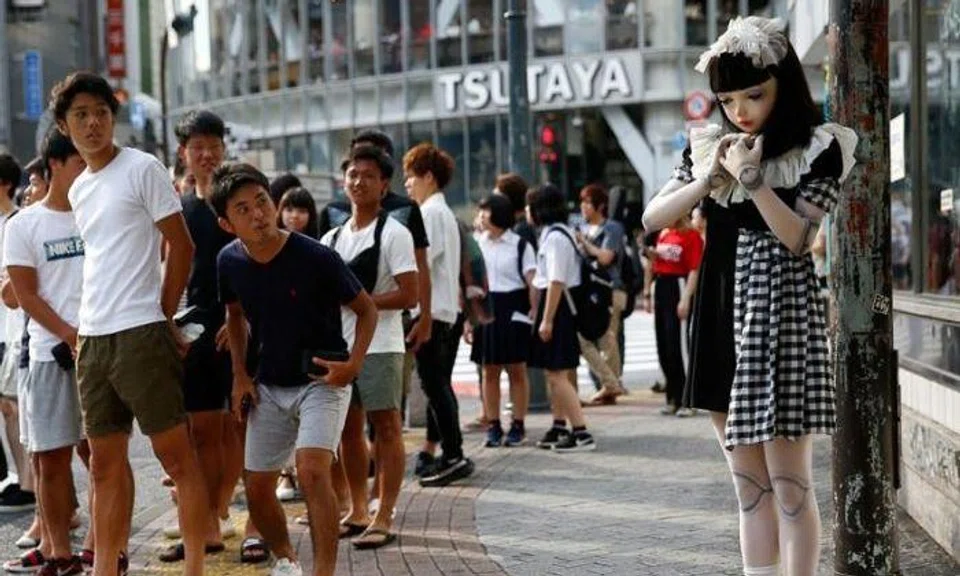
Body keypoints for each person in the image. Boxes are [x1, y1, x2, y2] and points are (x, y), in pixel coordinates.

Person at [642, 17, 857, 576]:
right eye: (727, 99)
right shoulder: (712, 147)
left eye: (754, 95)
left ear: (783, 84)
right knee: (749, 488)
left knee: (790, 484)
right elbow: (652, 216)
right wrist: (710, 177)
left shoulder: (819, 147)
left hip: (781, 315)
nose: (739, 110)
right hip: (719, 308)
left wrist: (754, 180)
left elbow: (799, 239)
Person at [53, 71, 209, 576]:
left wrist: (162, 316)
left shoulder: (142, 168)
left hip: (141, 329)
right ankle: (105, 568)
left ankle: (194, 569)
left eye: (101, 112)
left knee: (176, 457)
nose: (93, 123)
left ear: (112, 117)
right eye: (81, 115)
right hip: (92, 338)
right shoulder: (79, 188)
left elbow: (181, 246)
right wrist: (80, 332)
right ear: (64, 125)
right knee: (102, 466)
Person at [213, 163, 377, 576]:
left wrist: (352, 366)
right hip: (268, 381)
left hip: (323, 377)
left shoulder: (316, 256)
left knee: (311, 470)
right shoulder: (228, 262)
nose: (258, 215)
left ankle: (323, 570)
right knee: (256, 486)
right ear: (227, 223)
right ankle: (287, 561)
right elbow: (234, 316)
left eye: (263, 202)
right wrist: (240, 375)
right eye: (243, 210)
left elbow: (366, 310)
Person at [320, 145, 417, 549]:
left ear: (384, 185)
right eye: (353, 175)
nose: (359, 181)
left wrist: (361, 302)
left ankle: (385, 512)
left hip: (382, 344)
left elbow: (409, 294)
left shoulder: (395, 233)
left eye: (368, 176)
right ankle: (358, 508)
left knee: (387, 427)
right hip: (340, 345)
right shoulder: (331, 237)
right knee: (346, 430)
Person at [157, 109, 242, 564]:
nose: (206, 154)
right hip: (190, 328)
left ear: (224, 148)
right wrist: (166, 322)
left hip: (234, 327)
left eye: (213, 145)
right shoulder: (177, 208)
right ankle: (206, 515)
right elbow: (166, 268)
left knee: (227, 425)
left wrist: (243, 320)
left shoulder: (239, 199)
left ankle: (213, 514)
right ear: (183, 153)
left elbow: (257, 261)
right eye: (197, 147)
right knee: (198, 428)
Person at [3, 129, 89, 576]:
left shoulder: (99, 216)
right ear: (54, 164)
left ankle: (98, 547)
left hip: (99, 353)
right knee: (50, 458)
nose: (88, 170)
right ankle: (58, 551)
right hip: (47, 354)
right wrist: (68, 334)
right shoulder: (24, 224)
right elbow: (24, 294)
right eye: (80, 162)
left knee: (102, 454)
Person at [402, 143, 474, 486]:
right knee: (438, 385)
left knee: (434, 385)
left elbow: (422, 264)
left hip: (433, 311)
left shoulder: (429, 214)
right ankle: (442, 452)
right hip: (448, 309)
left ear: (428, 177)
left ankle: (453, 452)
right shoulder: (443, 213)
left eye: (411, 177)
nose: (407, 185)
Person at [526, 184, 597, 453]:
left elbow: (556, 280)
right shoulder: (558, 233)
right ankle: (559, 426)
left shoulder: (555, 238)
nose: (527, 211)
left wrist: (547, 319)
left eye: (530, 206)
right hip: (560, 307)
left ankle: (581, 433)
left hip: (557, 307)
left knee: (556, 374)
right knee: (557, 372)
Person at [470, 194, 536, 448]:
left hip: (514, 306)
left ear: (498, 214)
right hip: (486, 307)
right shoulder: (478, 243)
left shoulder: (520, 245)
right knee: (489, 370)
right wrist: (469, 319)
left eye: (485, 211)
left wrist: (533, 311)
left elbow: (532, 282)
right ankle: (493, 425)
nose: (481, 216)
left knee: (516, 369)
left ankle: (518, 424)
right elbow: (472, 282)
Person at [0, 153, 34, 514]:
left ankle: (28, 485)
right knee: (7, 406)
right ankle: (20, 479)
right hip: (3, 329)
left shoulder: (18, 222)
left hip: (16, 329)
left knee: (15, 408)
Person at [575, 184, 628, 405]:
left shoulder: (612, 228)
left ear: (600, 205)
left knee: (608, 339)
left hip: (611, 289)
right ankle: (610, 384)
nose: (583, 207)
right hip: (588, 291)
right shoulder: (580, 228)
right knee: (585, 339)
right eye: (582, 202)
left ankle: (610, 386)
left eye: (588, 202)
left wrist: (585, 244)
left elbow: (606, 257)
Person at [647, 213, 702, 417]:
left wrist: (686, 298)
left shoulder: (690, 235)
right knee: (663, 345)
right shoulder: (663, 233)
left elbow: (694, 269)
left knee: (678, 346)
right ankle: (672, 397)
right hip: (661, 285)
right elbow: (654, 265)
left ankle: (688, 400)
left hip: (678, 286)